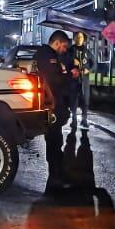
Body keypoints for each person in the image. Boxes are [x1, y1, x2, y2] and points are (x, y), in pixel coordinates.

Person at [32, 29, 74, 191]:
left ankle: (57, 174)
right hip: (51, 105)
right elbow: (54, 80)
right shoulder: (47, 56)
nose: (64, 50)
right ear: (56, 43)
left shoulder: (48, 55)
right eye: (63, 46)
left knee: (55, 141)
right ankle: (56, 177)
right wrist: (70, 75)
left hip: (53, 104)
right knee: (54, 141)